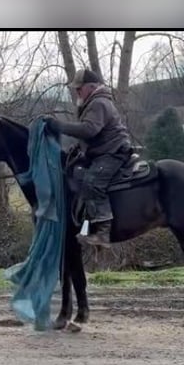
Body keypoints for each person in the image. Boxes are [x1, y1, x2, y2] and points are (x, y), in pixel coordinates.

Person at [44, 68, 132, 247]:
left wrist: (59, 126)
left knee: (92, 182)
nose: (77, 91)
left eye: (79, 88)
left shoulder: (98, 103)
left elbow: (89, 130)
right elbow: (89, 135)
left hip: (113, 152)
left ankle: (103, 233)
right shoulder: (93, 103)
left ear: (91, 87)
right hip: (104, 151)